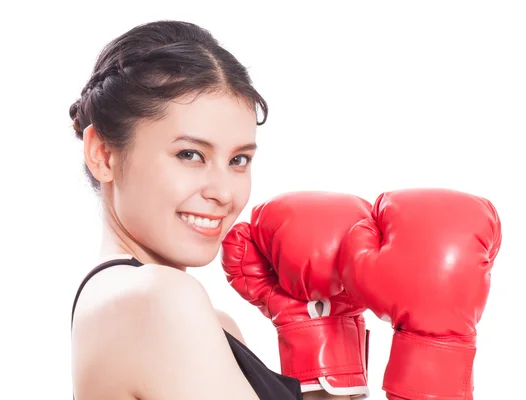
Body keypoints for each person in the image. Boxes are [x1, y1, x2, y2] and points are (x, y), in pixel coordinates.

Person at [69, 20, 365, 400]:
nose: (225, 193)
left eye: (239, 160)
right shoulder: (159, 300)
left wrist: (322, 331)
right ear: (103, 154)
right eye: (190, 154)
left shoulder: (194, 320)